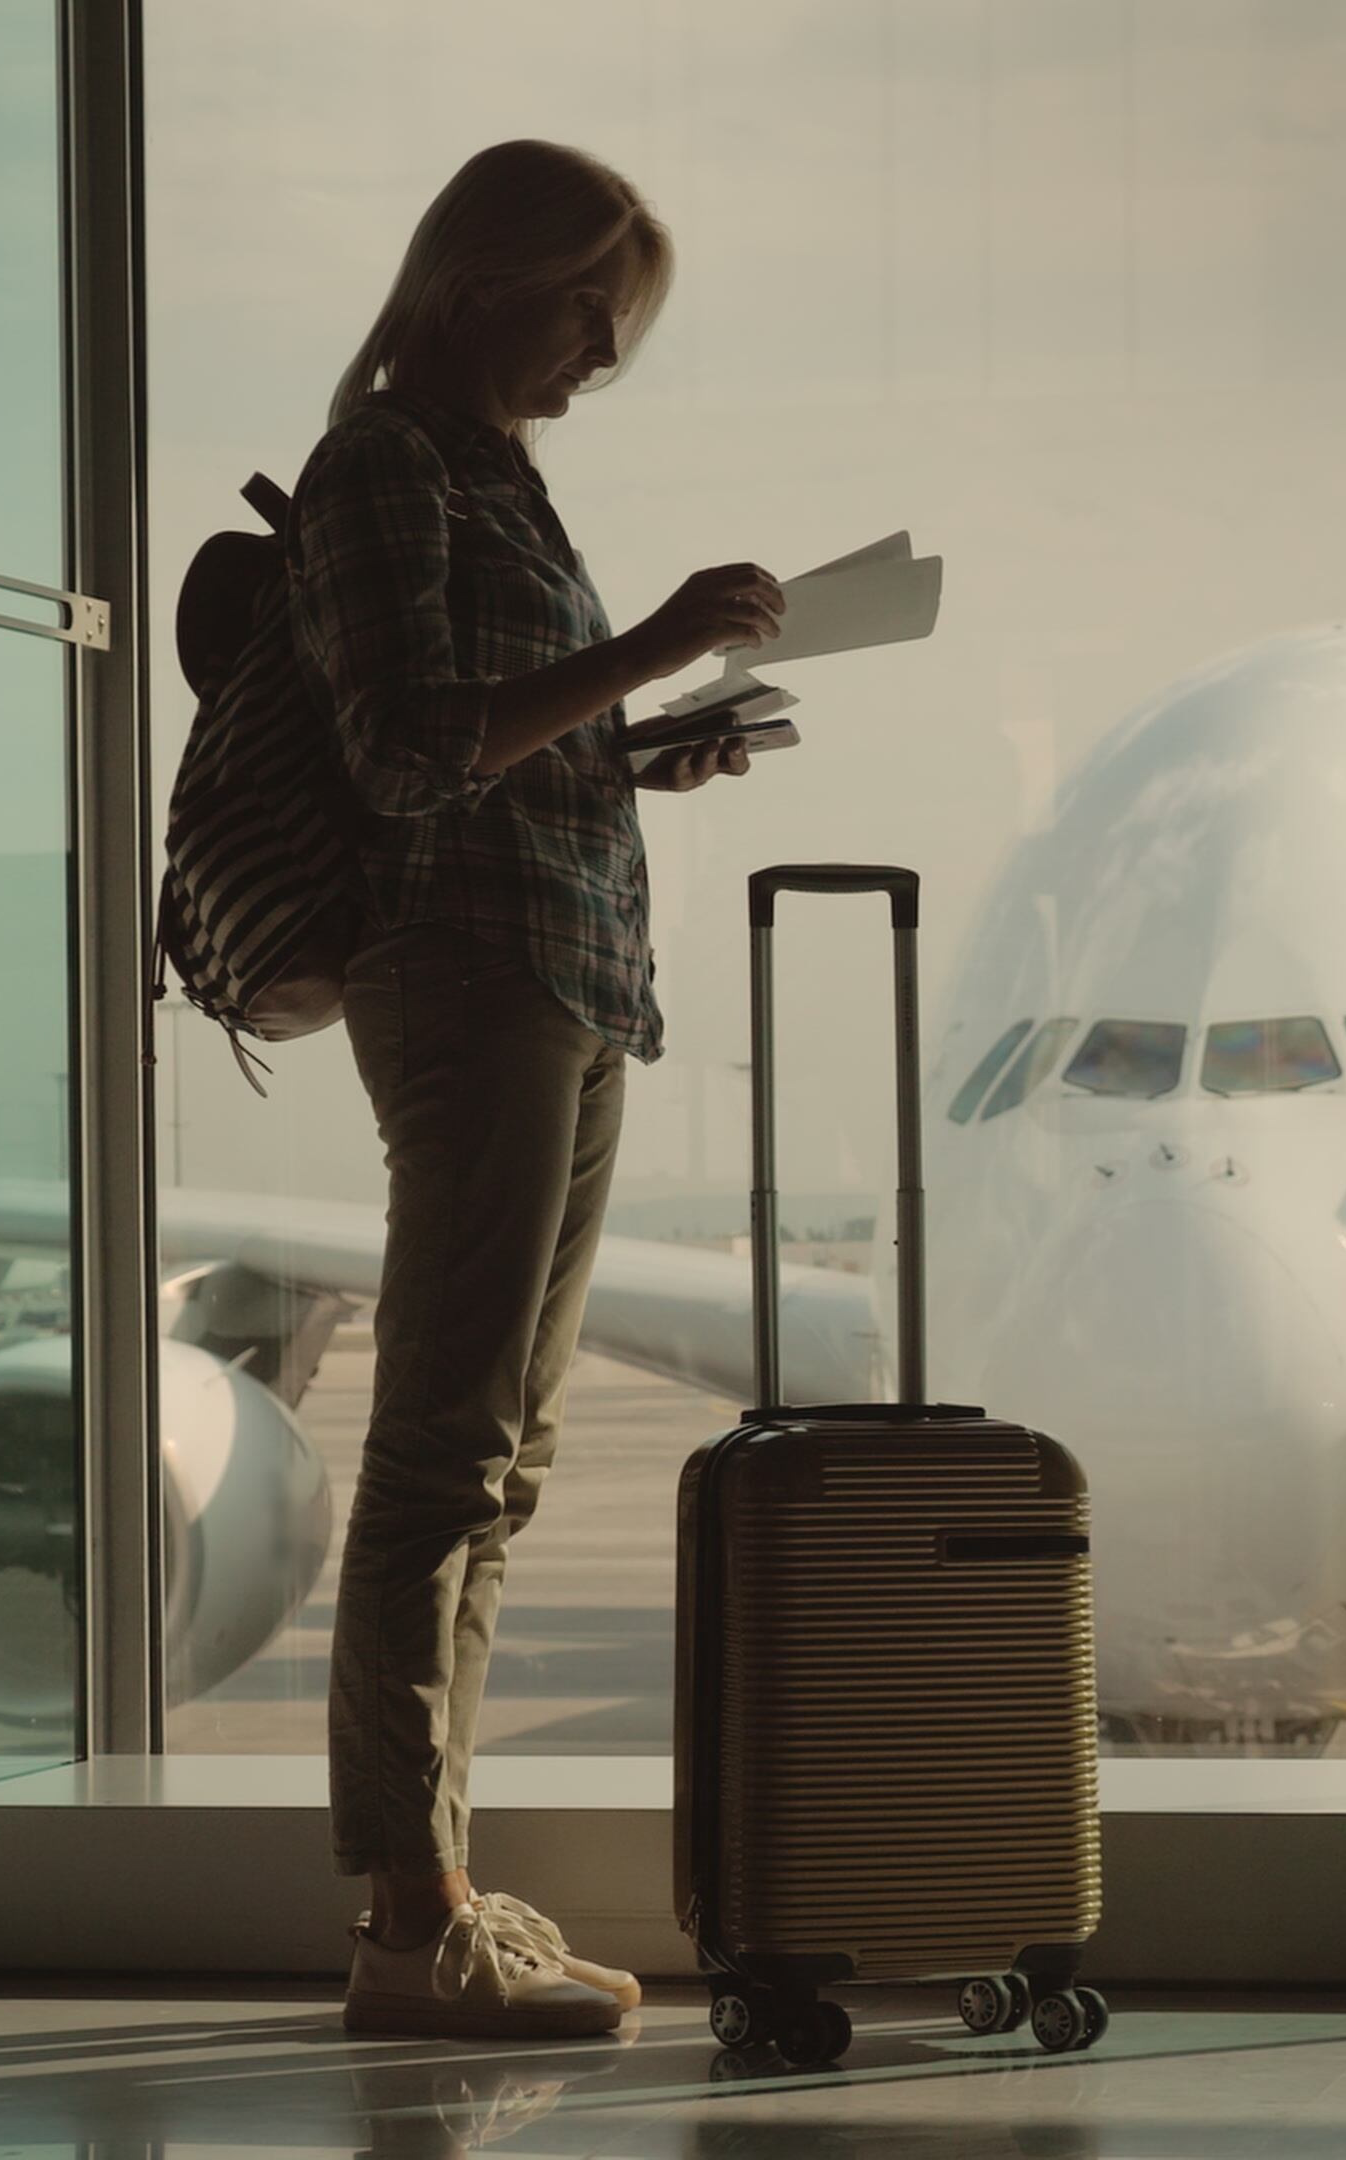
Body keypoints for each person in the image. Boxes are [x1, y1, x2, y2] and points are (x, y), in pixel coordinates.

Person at [292, 138, 782, 2040]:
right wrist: (648, 643)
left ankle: (438, 1894)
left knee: (497, 1465)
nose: (604, 353)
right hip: (475, 982)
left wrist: (644, 745)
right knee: (441, 1458)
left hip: (568, 976)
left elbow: (501, 740)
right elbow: (409, 755)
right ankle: (412, 1918)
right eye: (593, 309)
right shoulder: (385, 464)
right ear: (488, 278)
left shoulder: (493, 476)